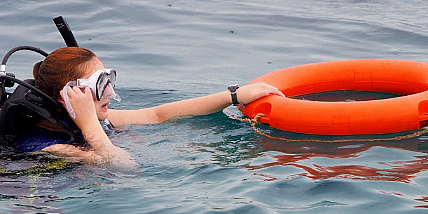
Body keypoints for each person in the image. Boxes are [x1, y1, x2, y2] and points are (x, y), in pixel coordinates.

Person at [16, 47, 283, 167]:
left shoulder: (94, 119)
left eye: (108, 80)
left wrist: (233, 96)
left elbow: (157, 115)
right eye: (100, 85)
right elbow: (122, 166)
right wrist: (89, 126)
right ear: (69, 96)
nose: (110, 92)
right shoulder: (48, 146)